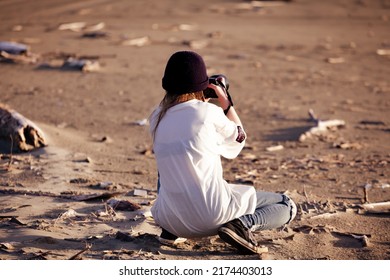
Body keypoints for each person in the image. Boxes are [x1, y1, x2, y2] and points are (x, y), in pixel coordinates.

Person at [149, 50, 296, 254]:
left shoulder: (156, 117)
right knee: (287, 205)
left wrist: (200, 102)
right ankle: (240, 226)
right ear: (201, 85)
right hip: (213, 216)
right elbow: (238, 139)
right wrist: (226, 102)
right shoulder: (209, 112)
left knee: (172, 159)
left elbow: (189, 133)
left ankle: (169, 232)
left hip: (169, 218)